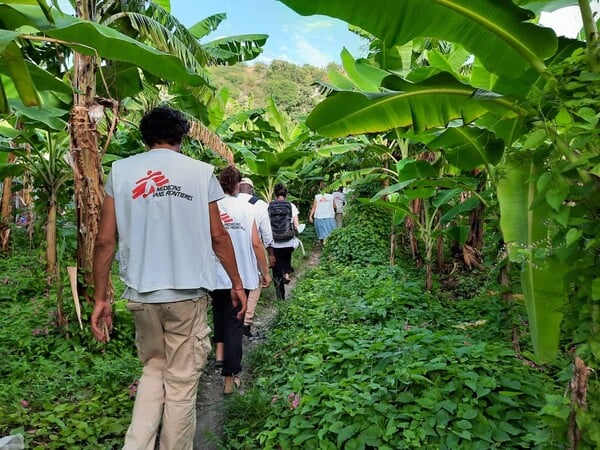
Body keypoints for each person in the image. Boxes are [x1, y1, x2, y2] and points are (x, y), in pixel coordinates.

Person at [91, 106, 247, 450]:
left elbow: (104, 240)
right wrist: (236, 284)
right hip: (186, 296)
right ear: (182, 136)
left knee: (152, 370)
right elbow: (218, 236)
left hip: (141, 296)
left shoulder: (121, 171)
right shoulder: (199, 172)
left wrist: (101, 298)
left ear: (145, 137)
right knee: (179, 383)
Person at [212, 166, 271, 393]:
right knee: (235, 325)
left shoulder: (213, 206)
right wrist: (264, 272)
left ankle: (219, 356)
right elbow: (257, 243)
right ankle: (230, 375)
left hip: (217, 276)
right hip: (243, 276)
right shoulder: (247, 209)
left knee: (219, 315)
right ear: (238, 185)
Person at [238, 177, 275, 338]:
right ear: (251, 190)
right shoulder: (259, 204)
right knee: (255, 284)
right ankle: (246, 321)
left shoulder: (225, 201)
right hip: (253, 250)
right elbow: (265, 234)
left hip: (229, 250)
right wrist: (271, 252)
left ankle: (232, 320)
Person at [269, 183, 299, 300]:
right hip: (288, 241)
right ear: (285, 194)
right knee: (286, 258)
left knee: (276, 270)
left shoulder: (269, 206)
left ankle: (280, 298)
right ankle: (286, 272)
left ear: (275, 194)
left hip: (274, 242)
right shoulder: (291, 206)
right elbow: (296, 225)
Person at [309, 182, 336, 246]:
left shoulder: (317, 197)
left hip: (319, 217)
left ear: (320, 189)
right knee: (331, 232)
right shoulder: (331, 196)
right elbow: (334, 206)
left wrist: (310, 216)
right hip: (329, 217)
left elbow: (314, 207)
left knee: (322, 232)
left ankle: (323, 244)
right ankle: (329, 245)